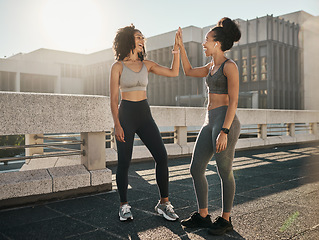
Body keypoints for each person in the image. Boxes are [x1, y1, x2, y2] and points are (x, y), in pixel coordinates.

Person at [110, 24, 181, 222]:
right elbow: (113, 98)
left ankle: (164, 203)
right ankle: (124, 206)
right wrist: (117, 124)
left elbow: (174, 73)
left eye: (143, 37)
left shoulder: (147, 64)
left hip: (144, 114)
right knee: (124, 162)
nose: (142, 40)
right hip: (126, 116)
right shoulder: (117, 66)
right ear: (128, 40)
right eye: (138, 37)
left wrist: (176, 49)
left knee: (162, 156)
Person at [177, 18, 241, 235]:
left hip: (225, 122)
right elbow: (187, 71)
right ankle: (203, 215)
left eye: (206, 40)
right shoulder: (210, 67)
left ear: (217, 43)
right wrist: (181, 48)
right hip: (209, 121)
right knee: (196, 168)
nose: (204, 44)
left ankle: (225, 219)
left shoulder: (229, 66)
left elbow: (233, 101)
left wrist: (224, 130)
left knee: (224, 171)